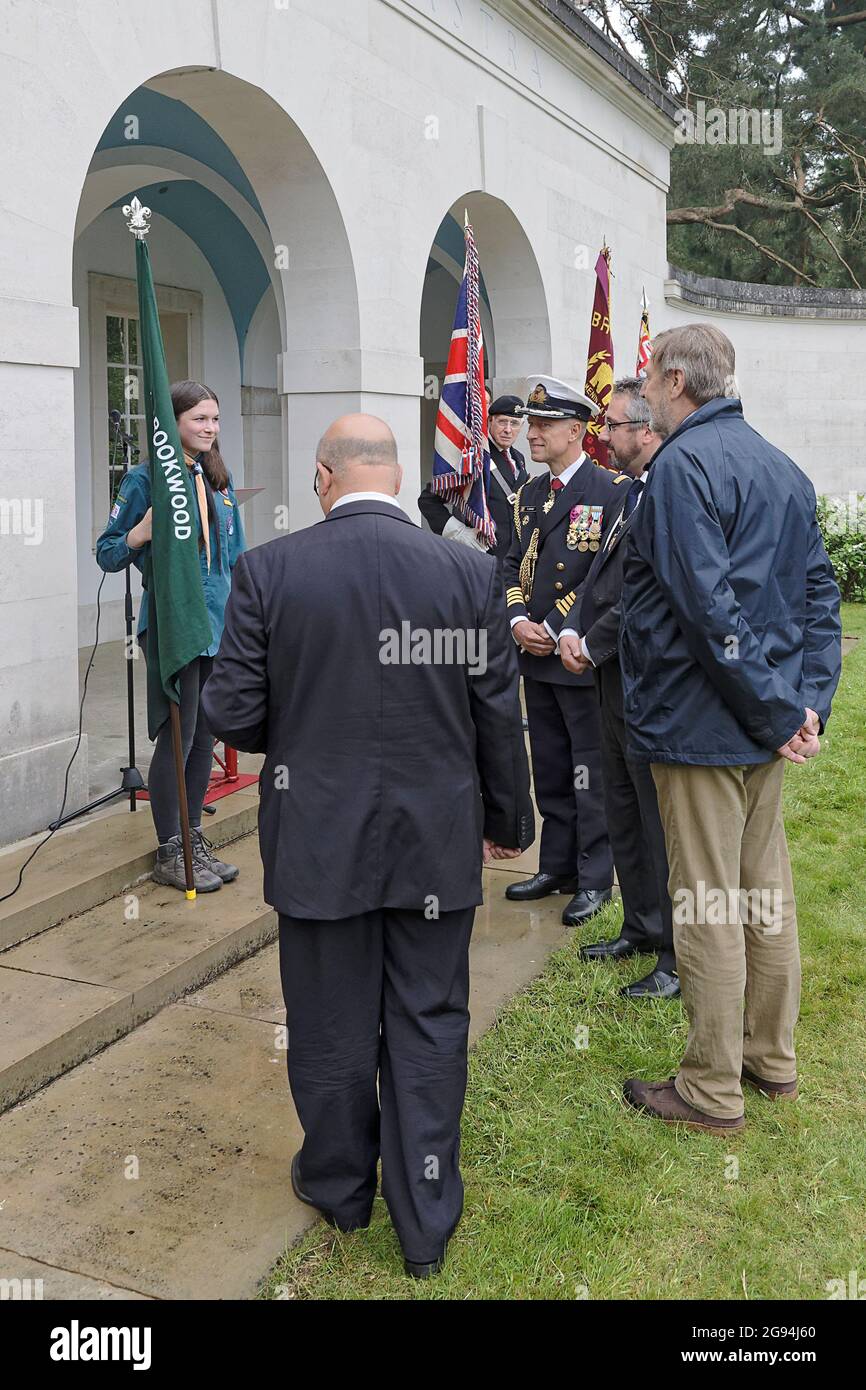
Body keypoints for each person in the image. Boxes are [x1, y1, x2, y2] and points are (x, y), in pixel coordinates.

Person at [201, 414, 534, 1277]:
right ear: (389, 478)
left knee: (330, 1026)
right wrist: (509, 823)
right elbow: (496, 709)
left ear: (323, 477)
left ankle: (343, 1189)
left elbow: (232, 714)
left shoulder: (270, 570)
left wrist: (306, 720)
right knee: (428, 1023)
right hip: (436, 841)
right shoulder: (466, 571)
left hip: (319, 843)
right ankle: (425, 1223)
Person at [618, 324, 842, 1134]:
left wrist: (790, 709)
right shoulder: (780, 465)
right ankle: (769, 1060)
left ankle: (713, 1089)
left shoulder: (682, 467)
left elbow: (709, 612)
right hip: (760, 717)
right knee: (763, 891)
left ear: (677, 380)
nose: (640, 388)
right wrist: (803, 702)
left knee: (711, 900)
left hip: (705, 722)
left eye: (648, 375)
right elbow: (822, 599)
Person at [96, 381, 246, 893]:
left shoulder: (217, 478)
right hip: (176, 623)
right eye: (199, 419)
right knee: (178, 738)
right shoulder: (145, 481)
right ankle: (169, 849)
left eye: (215, 419)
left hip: (217, 624)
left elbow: (234, 558)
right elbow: (108, 551)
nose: (209, 428)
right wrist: (142, 530)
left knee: (205, 735)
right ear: (173, 422)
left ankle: (193, 837)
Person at [559, 378, 679, 999]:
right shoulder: (631, 493)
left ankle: (675, 955)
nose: (602, 436)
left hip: (645, 678)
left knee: (656, 820)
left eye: (611, 426)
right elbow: (603, 578)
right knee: (623, 809)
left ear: (645, 430)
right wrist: (575, 628)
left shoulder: (664, 489)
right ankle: (640, 925)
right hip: (614, 677)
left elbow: (645, 590)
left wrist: (591, 640)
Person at [502, 376, 630, 926]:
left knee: (589, 769)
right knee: (551, 768)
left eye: (543, 424)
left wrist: (554, 626)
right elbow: (509, 564)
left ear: (575, 431)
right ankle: (556, 865)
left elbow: (605, 573)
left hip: (580, 653)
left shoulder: (610, 490)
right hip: (535, 655)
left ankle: (595, 875)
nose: (532, 433)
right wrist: (515, 619)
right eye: (531, 424)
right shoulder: (529, 494)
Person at [418, 394, 529, 562]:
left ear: (521, 427)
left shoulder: (519, 458)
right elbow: (428, 500)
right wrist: (459, 532)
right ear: (490, 421)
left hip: (514, 565)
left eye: (514, 423)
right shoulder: (474, 457)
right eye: (502, 422)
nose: (508, 429)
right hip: (481, 561)